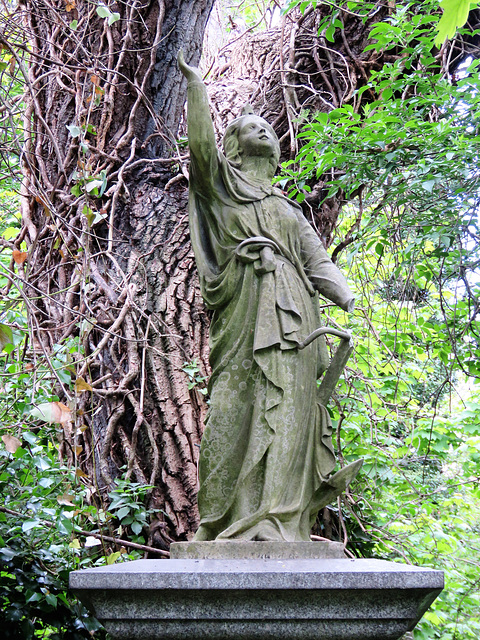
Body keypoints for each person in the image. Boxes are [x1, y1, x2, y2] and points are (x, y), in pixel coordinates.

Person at [178, 51, 357, 542]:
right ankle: (224, 519)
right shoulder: (220, 187)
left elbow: (317, 260)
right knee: (234, 408)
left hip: (296, 317)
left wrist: (344, 296)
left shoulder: (287, 209)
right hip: (242, 311)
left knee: (292, 412)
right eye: (251, 126)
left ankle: (279, 519)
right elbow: (199, 149)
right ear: (233, 146)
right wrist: (197, 89)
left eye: (268, 127)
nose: (265, 130)